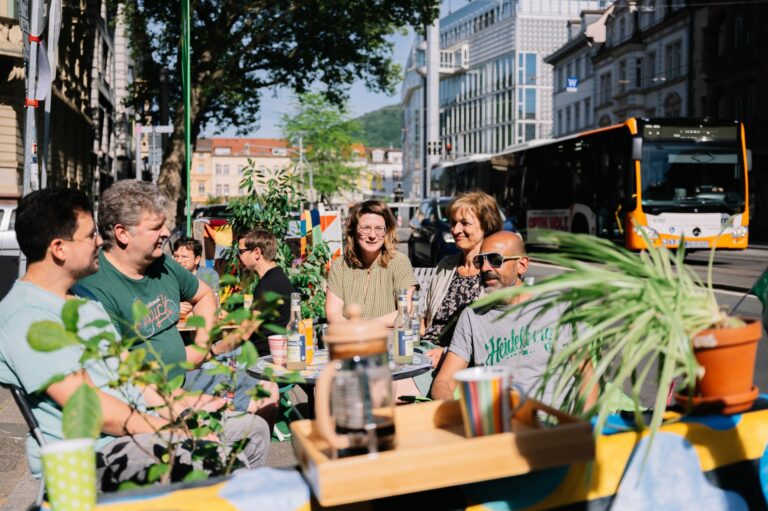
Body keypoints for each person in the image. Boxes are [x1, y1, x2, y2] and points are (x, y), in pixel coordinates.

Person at [0, 187, 269, 489]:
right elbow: (90, 408)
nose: (100, 242)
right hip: (92, 456)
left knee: (251, 429)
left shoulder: (83, 302)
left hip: (134, 430)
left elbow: (131, 378)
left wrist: (181, 404)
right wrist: (176, 429)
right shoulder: (27, 316)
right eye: (90, 236)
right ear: (59, 248)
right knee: (211, 455)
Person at [78, 180, 278, 420]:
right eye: (156, 227)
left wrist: (201, 347)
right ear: (122, 233)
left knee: (267, 389)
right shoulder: (94, 287)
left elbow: (204, 295)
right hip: (148, 401)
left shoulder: (162, 263)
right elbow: (114, 379)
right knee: (241, 420)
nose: (166, 233)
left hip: (186, 376)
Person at [430, 231, 596, 407]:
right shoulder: (472, 317)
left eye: (495, 260)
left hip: (553, 423)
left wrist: (584, 426)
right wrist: (455, 413)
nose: (485, 268)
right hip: (498, 423)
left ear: (522, 265)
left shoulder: (557, 306)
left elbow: (587, 375)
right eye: (481, 261)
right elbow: (444, 382)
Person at [421, 192, 503, 353]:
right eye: (453, 223)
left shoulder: (496, 269)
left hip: (462, 358)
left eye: (464, 223)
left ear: (486, 225)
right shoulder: (446, 265)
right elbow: (425, 317)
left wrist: (445, 353)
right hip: (426, 350)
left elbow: (494, 333)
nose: (455, 229)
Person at [326, 200, 417, 326]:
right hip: (349, 338)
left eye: (379, 228)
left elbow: (406, 310)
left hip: (388, 340)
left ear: (387, 231)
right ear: (353, 231)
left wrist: (366, 327)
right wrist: (352, 331)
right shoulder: (340, 265)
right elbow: (333, 313)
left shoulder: (399, 262)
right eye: (365, 228)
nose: (372, 235)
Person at [237, 228, 296, 356]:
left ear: (257, 252)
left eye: (241, 251)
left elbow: (246, 332)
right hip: (274, 352)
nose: (238, 256)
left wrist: (214, 349)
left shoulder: (267, 285)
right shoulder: (279, 277)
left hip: (261, 357)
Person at [173, 236, 220, 318]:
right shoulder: (169, 275)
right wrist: (175, 307)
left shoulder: (208, 275)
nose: (179, 261)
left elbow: (215, 307)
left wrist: (188, 313)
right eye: (176, 256)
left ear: (197, 259)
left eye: (184, 257)